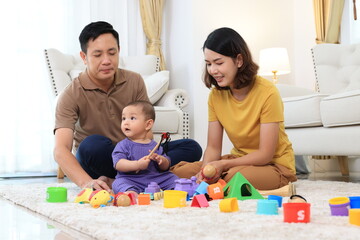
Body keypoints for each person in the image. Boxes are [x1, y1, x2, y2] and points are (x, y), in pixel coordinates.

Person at [53, 21, 202, 192]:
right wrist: (86, 183)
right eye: (98, 55)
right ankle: (128, 177)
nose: (107, 61)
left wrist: (150, 155)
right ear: (84, 57)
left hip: (136, 151)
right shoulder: (71, 94)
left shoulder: (134, 80)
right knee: (91, 145)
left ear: (119, 51)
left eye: (112, 53)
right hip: (104, 158)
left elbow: (147, 127)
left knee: (191, 147)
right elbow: (60, 150)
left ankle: (123, 179)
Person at [171, 27, 297, 190]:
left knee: (232, 178)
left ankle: (223, 178)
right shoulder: (216, 96)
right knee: (179, 173)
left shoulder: (268, 93)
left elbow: (265, 154)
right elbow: (213, 147)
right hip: (239, 160)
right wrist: (205, 172)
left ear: (239, 60)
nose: (212, 70)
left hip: (274, 166)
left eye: (219, 62)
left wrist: (224, 164)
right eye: (209, 64)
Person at [112, 100, 179, 195]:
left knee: (173, 178)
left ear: (148, 124)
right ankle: (131, 192)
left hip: (156, 180)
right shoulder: (123, 145)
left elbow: (166, 167)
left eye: (132, 118)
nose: (126, 123)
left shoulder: (155, 145)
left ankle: (175, 190)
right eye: (123, 118)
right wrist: (137, 165)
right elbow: (118, 164)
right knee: (118, 183)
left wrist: (161, 161)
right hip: (132, 180)